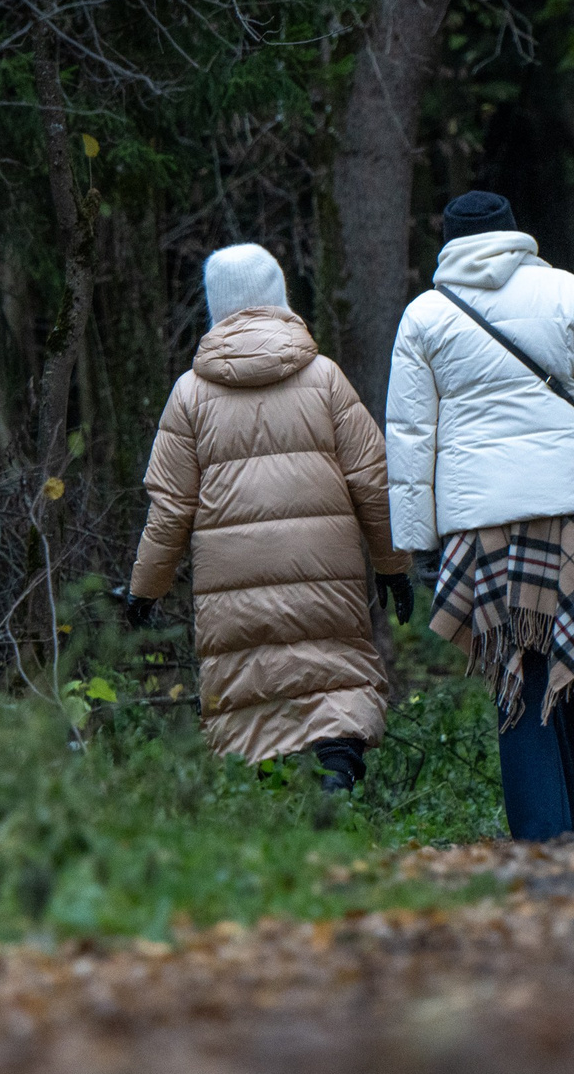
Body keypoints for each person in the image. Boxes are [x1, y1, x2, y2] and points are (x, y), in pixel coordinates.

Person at [384, 191, 574, 840]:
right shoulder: (566, 292)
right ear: (515, 234)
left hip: (479, 517)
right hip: (572, 505)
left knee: (514, 670)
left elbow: (409, 438)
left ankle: (541, 835)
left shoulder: (425, 316)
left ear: (448, 239)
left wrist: (417, 540)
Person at [121, 244, 416, 808]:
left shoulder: (189, 395)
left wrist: (145, 590)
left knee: (251, 688)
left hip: (234, 582)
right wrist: (392, 564)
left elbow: (170, 508)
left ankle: (278, 812)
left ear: (217, 307)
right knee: (334, 673)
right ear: (279, 297)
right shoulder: (325, 379)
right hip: (322, 570)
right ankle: (336, 776)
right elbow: (373, 480)